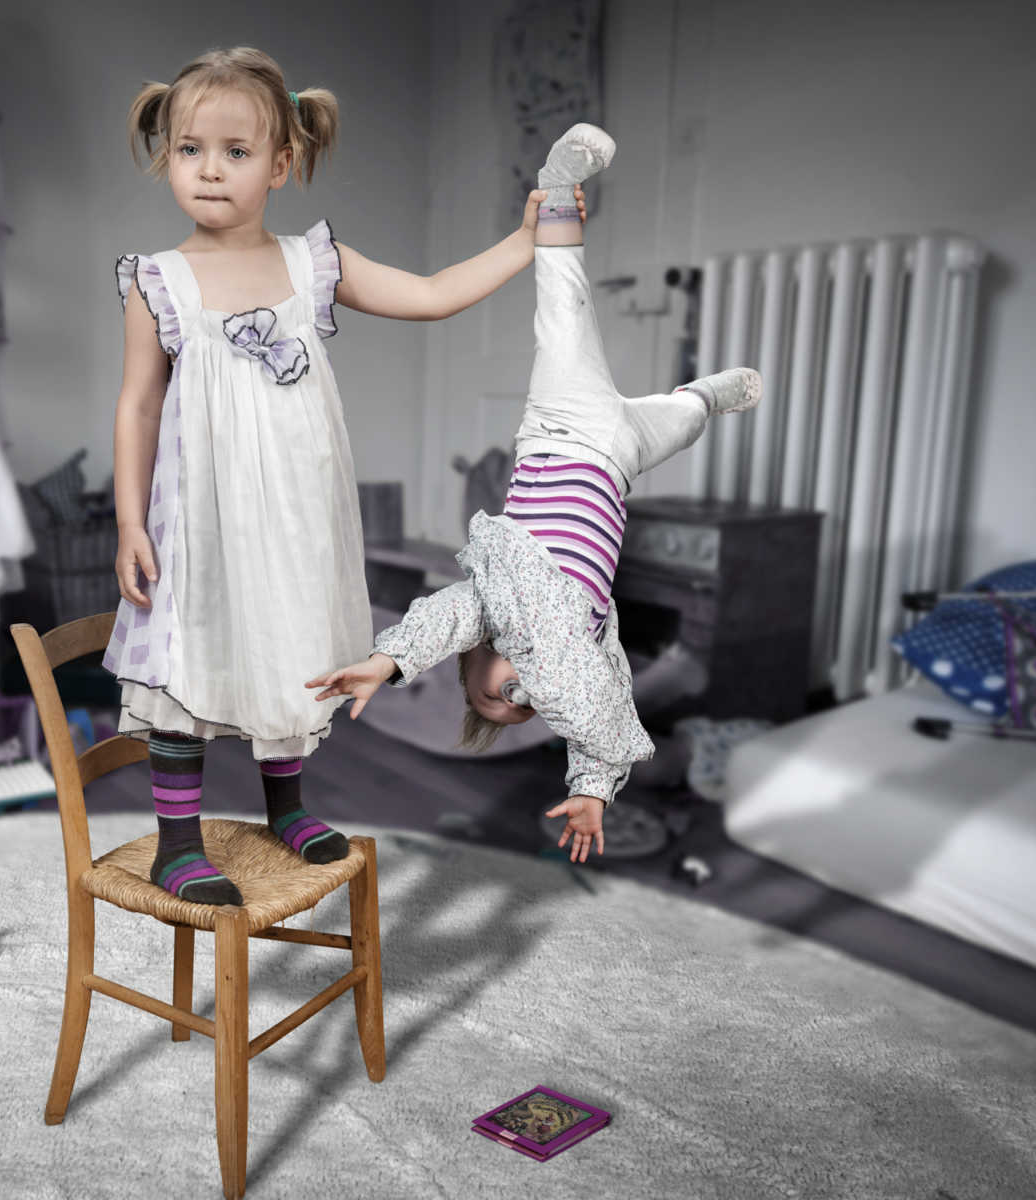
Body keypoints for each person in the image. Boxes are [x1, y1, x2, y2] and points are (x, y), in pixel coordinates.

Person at [105, 46, 585, 905]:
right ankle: (180, 840)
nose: (209, 170)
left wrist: (524, 241)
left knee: (292, 648)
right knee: (188, 660)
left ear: (283, 163)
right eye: (189, 150)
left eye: (236, 151)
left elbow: (434, 294)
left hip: (297, 515)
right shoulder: (159, 283)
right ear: (166, 155)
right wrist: (130, 522)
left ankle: (287, 805)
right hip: (200, 520)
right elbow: (140, 406)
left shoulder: (313, 265)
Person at [307, 123, 761, 865]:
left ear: (476, 658)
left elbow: (436, 622)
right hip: (618, 461)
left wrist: (386, 664)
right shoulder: (582, 653)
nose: (515, 698)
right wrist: (591, 788)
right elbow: (604, 707)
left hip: (563, 429)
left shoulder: (491, 602)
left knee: (564, 311)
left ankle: (555, 188)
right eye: (519, 710)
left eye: (493, 695)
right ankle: (704, 395)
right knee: (683, 423)